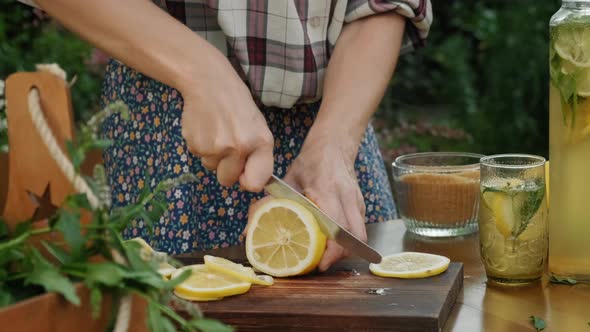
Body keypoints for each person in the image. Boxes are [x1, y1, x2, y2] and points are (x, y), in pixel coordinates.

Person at [23, 0, 432, 271]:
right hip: (175, 133)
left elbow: (382, 4)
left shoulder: (337, 145)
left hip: (338, 131)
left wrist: (335, 147)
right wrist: (202, 74)